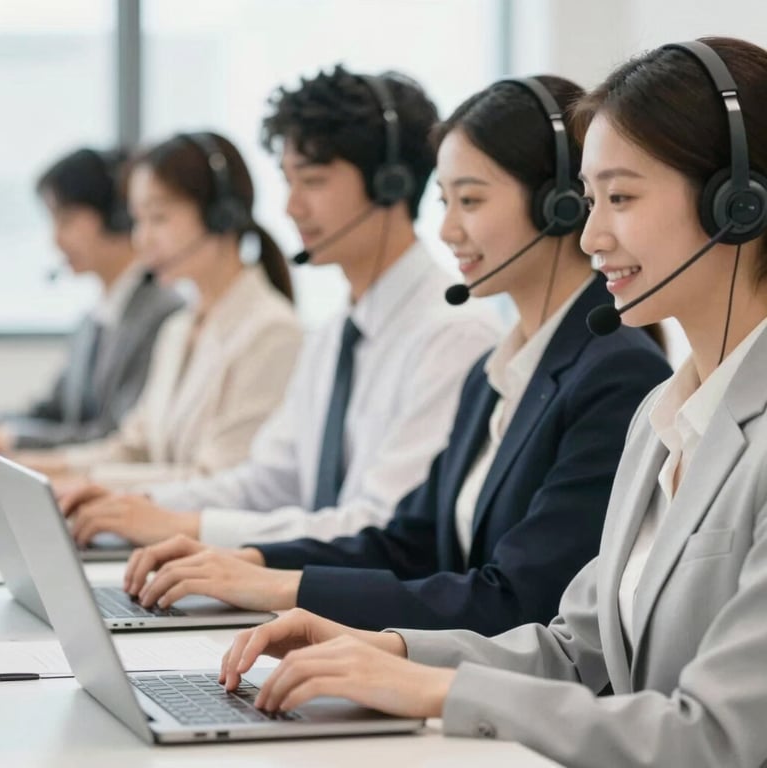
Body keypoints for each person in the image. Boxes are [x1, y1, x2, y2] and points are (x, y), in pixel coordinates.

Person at [213, 38, 767, 767]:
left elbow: (718, 738)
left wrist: (439, 694)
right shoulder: (664, 416)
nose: (593, 235)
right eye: (591, 200)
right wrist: (389, 650)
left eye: (622, 198)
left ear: (738, 202)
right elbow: (577, 650)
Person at [121, 76, 670, 635]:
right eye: (445, 202)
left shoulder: (614, 374)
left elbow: (519, 600)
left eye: (471, 200)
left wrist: (283, 587)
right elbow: (410, 540)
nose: (448, 229)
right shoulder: (498, 376)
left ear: (556, 205)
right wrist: (252, 562)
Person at [57, 67, 501, 548]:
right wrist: (137, 506)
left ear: (389, 183)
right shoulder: (334, 334)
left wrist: (189, 527)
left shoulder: (452, 335)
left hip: (359, 609)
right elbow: (269, 482)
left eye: (312, 180)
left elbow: (380, 527)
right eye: (288, 182)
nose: (290, 207)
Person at [18, 132, 301, 503]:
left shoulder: (272, 331)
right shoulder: (178, 328)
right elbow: (133, 446)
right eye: (138, 220)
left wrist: (94, 487)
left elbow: (220, 477)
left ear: (221, 216)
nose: (142, 239)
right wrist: (35, 468)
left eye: (159, 217)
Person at [0, 147, 183, 451]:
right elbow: (54, 411)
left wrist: (17, 439)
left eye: (66, 220)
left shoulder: (164, 314)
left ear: (117, 217)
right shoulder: (95, 318)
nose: (56, 240)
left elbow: (116, 436)